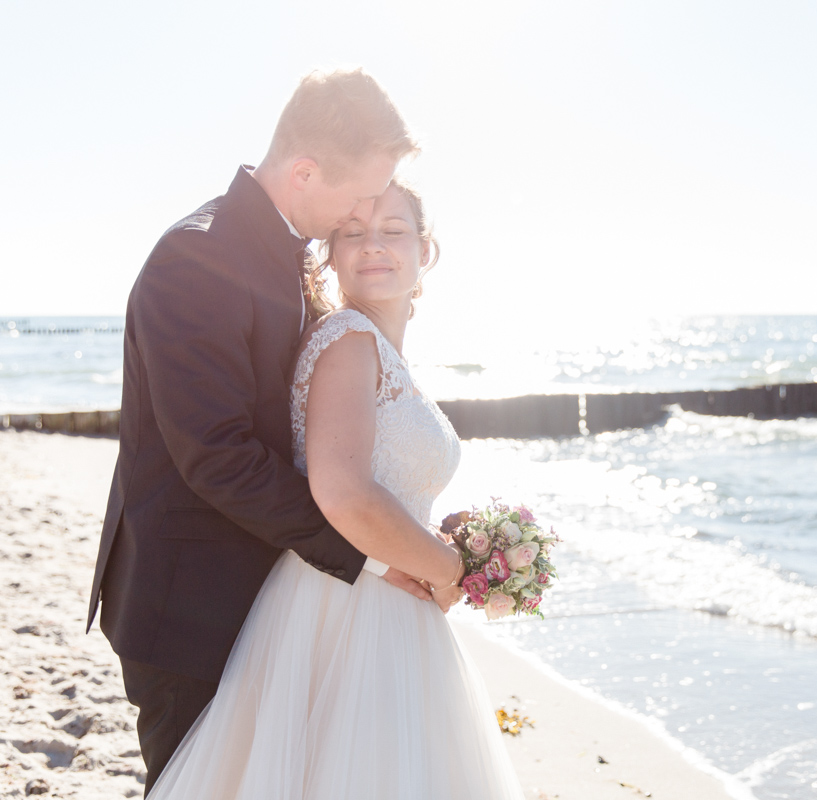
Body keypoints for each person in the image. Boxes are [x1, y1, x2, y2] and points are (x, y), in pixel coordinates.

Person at [88, 68, 436, 793]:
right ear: (305, 170)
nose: (365, 209)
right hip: (189, 607)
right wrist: (374, 551)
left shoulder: (278, 252)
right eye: (361, 193)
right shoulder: (199, 256)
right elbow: (218, 457)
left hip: (258, 595)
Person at [145, 180, 525, 798]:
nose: (374, 246)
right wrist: (451, 568)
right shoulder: (349, 341)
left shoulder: (379, 349)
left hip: (384, 595)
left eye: (394, 231)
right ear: (331, 254)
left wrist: (447, 535)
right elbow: (345, 495)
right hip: (349, 608)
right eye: (353, 233)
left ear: (426, 251)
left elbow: (387, 482)